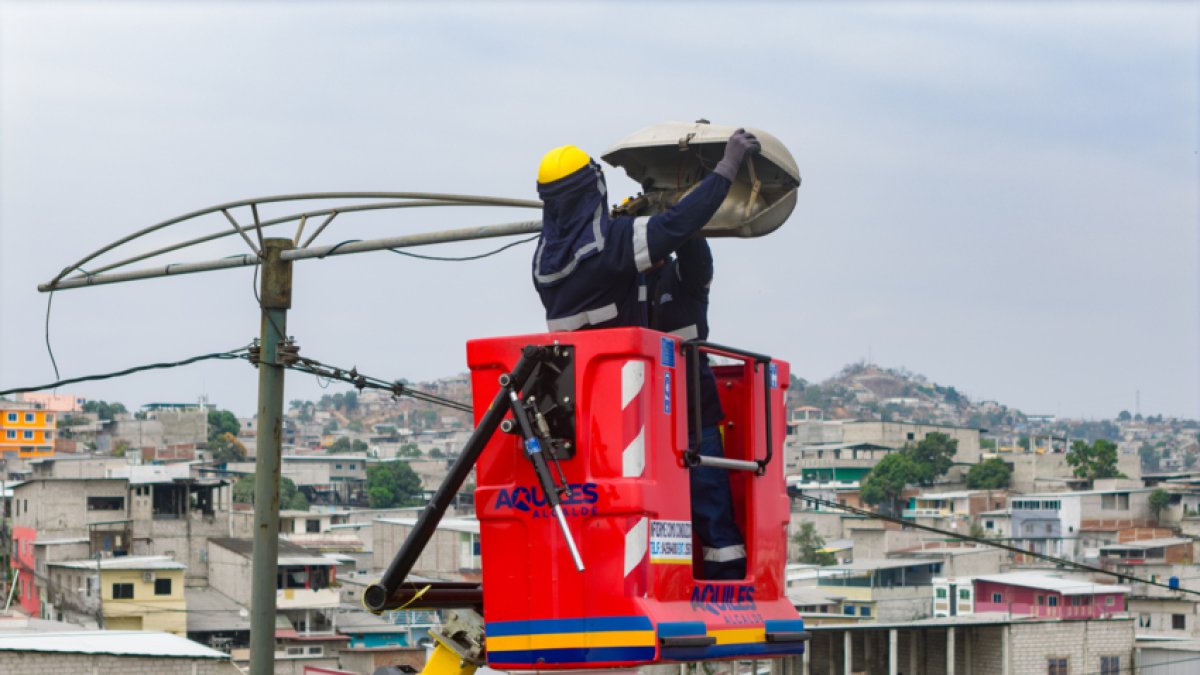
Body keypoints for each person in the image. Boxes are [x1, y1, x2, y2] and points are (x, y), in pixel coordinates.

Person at [532, 129, 760, 331]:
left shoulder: (542, 263)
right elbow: (676, 225)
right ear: (594, 190)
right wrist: (728, 165)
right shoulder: (615, 241)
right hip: (623, 374)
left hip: (570, 376)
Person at [649, 235, 746, 580]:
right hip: (645, 425)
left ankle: (728, 585)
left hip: (697, 419)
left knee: (712, 510)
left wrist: (679, 218)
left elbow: (696, 254)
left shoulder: (684, 277)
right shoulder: (626, 284)